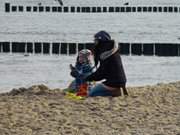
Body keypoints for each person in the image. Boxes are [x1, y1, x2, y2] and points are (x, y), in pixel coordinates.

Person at [84, 30, 128, 97]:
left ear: (100, 41)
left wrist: (88, 78)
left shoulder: (104, 53)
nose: (94, 43)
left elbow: (101, 73)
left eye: (95, 40)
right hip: (122, 81)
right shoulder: (112, 50)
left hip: (113, 82)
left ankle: (115, 92)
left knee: (92, 94)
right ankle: (117, 91)